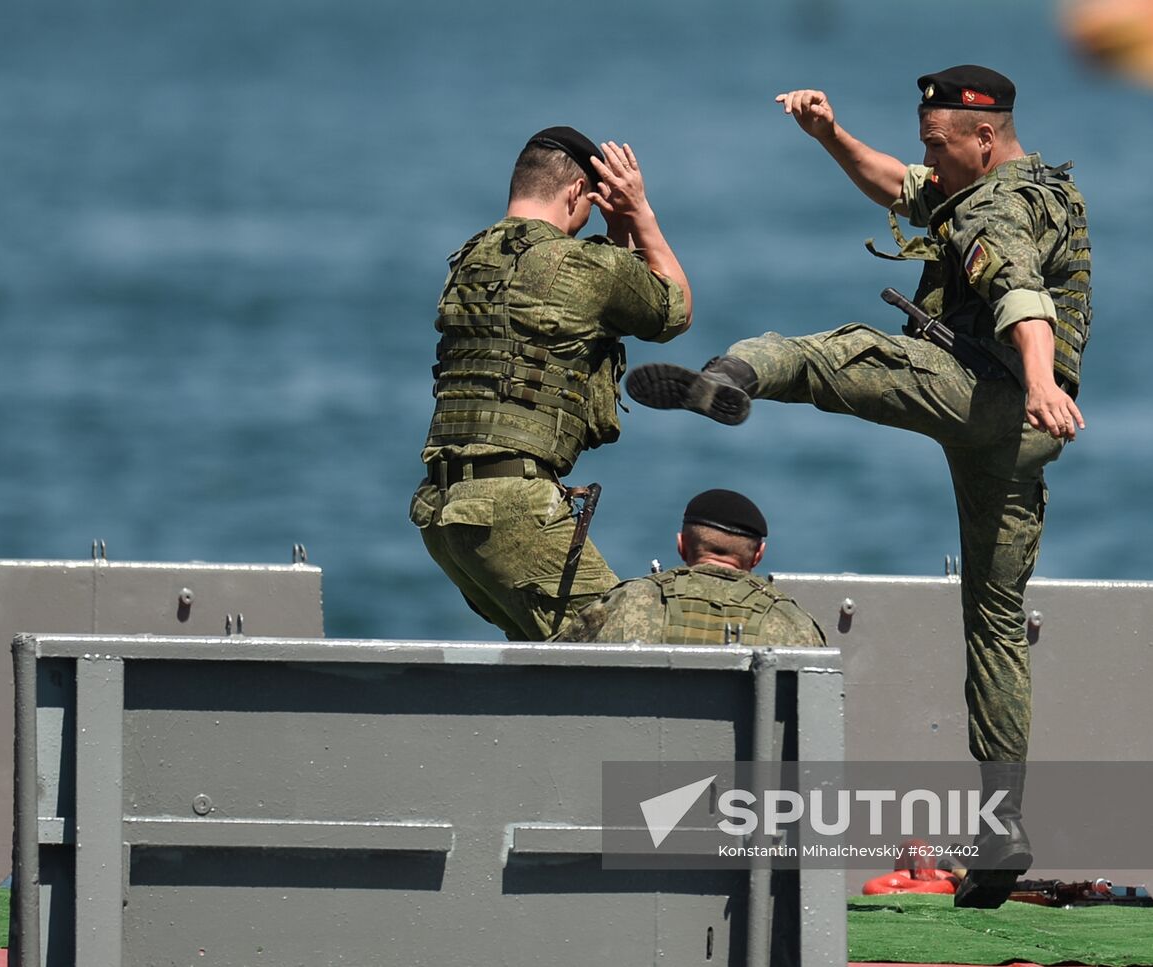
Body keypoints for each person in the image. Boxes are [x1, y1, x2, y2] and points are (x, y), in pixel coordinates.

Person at [625, 66, 1091, 907]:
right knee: (992, 619)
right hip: (1024, 441)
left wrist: (1039, 377)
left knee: (837, 351)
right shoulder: (1021, 185)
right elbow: (903, 185)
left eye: (938, 144)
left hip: (993, 392)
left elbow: (1019, 292)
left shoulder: (992, 209)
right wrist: (830, 137)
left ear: (983, 138)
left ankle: (731, 374)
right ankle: (1000, 828)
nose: (928, 159)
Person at [411, 126, 693, 641]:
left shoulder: (470, 260)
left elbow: (577, 299)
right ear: (573, 194)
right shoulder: (581, 265)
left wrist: (613, 236)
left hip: (443, 509)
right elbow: (674, 310)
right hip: (511, 508)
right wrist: (638, 214)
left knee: (552, 658)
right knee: (638, 645)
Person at [553, 489, 825, 646]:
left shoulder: (627, 603)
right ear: (758, 556)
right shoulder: (795, 625)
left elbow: (556, 666)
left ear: (681, 546)